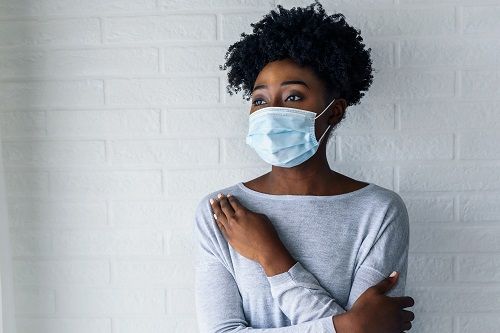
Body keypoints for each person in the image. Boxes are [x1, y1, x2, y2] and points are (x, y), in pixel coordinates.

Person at [193, 1, 415, 332]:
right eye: (260, 100)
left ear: (335, 111)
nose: (271, 111)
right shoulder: (223, 212)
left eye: (294, 97)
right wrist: (345, 326)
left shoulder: (379, 211)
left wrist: (272, 257)